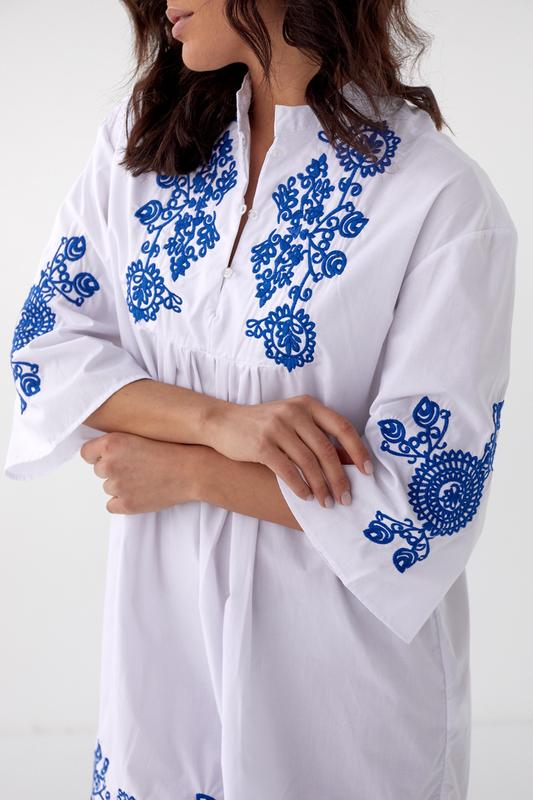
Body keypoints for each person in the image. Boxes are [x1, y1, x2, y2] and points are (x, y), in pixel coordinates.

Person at [4, 1, 517, 798]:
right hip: (161, 669)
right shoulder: (143, 144)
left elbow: (423, 509)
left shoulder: (440, 201)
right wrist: (219, 424)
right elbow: (46, 348)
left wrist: (190, 473)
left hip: (336, 697)